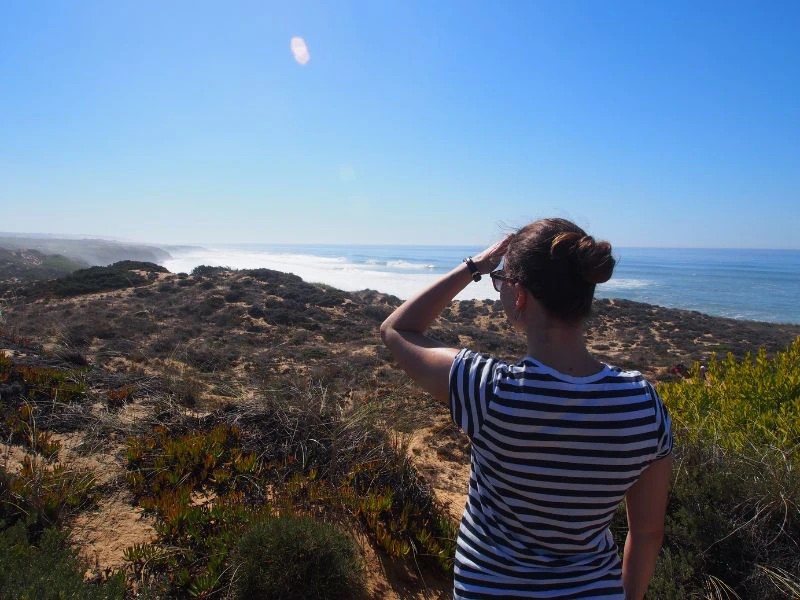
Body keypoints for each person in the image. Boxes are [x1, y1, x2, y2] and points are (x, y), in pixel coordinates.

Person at [380, 218, 672, 600]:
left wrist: (475, 268)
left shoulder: (487, 388)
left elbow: (397, 329)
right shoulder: (642, 405)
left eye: (502, 281)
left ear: (520, 296)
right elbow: (648, 532)